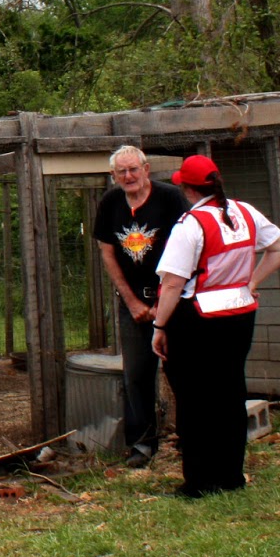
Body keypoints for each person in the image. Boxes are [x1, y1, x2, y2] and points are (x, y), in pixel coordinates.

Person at [151, 154, 280, 497]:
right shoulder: (245, 212)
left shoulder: (191, 224)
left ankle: (199, 482)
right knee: (230, 392)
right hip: (240, 313)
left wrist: (159, 326)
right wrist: (252, 281)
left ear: (186, 188)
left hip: (198, 315)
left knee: (194, 397)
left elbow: (172, 283)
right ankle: (231, 476)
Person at [94, 145, 187, 468]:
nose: (129, 176)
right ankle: (143, 445)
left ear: (146, 169)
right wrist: (132, 302)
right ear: (113, 176)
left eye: (134, 169)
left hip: (173, 299)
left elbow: (187, 249)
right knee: (136, 374)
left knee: (181, 371)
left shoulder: (171, 198)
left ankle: (189, 439)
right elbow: (107, 253)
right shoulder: (110, 203)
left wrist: (162, 302)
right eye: (122, 171)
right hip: (132, 304)